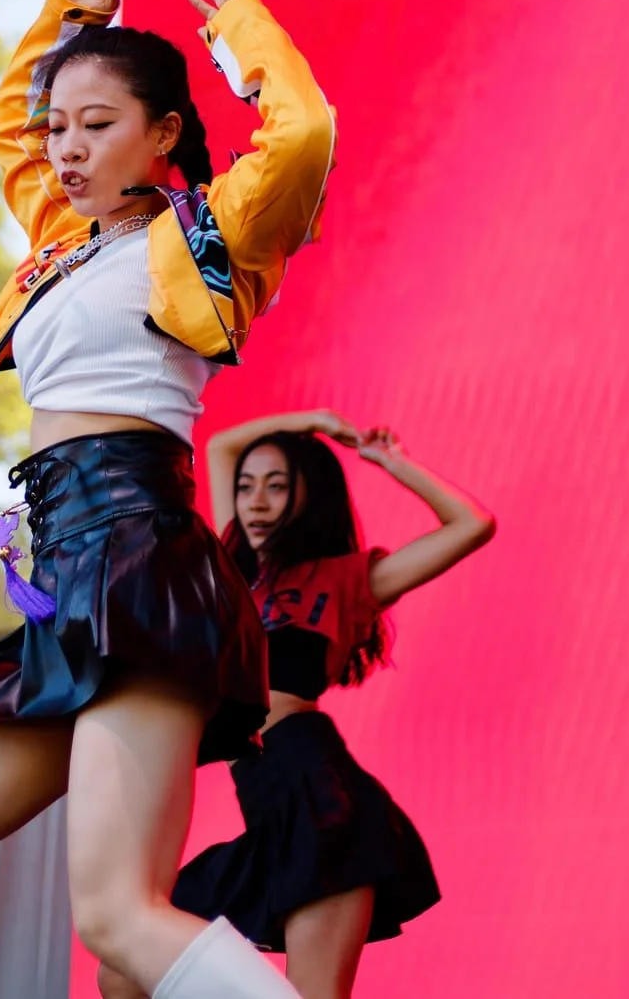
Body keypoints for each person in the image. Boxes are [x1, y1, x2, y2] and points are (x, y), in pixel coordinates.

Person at [0, 0, 336, 999]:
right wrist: (70, 9)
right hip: (62, 574)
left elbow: (303, 138)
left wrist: (237, 33)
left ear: (161, 134)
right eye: (59, 127)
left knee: (115, 916)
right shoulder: (63, 241)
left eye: (97, 125)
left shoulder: (209, 235)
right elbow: (11, 126)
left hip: (140, 563)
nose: (64, 147)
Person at [102, 410, 494, 999]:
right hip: (264, 817)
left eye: (277, 485)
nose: (256, 501)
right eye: (247, 486)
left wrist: (389, 461)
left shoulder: (346, 578)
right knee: (122, 970)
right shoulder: (233, 574)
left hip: (322, 806)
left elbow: (472, 524)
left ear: (307, 494)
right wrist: (309, 420)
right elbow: (226, 441)